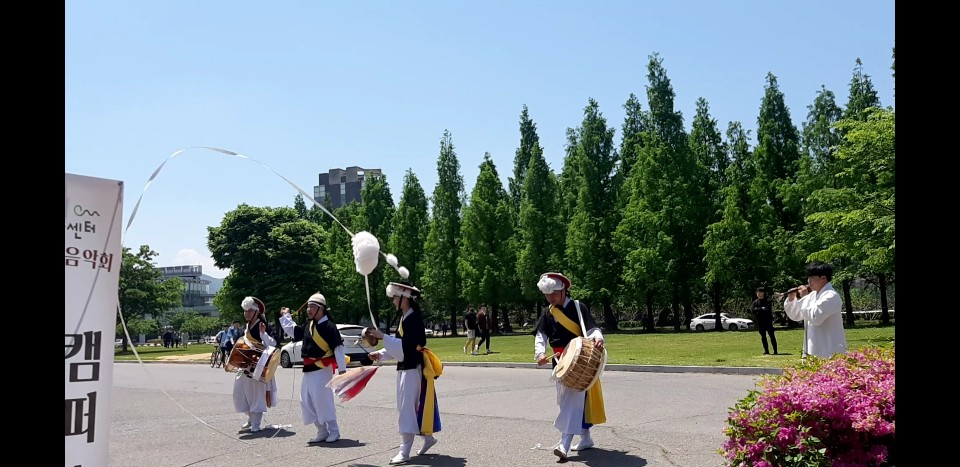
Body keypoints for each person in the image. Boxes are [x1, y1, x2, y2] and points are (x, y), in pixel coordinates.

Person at [367, 282, 441, 465]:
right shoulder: (406, 317)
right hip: (406, 367)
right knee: (409, 406)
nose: (392, 301)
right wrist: (381, 353)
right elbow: (401, 346)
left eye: (394, 298)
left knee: (407, 408)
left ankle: (405, 451)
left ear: (403, 298)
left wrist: (383, 337)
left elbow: (407, 347)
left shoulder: (413, 318)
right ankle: (428, 438)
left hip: (412, 368)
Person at [534, 272, 606, 461]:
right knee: (565, 400)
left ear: (563, 290)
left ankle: (564, 444)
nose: (550, 298)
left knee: (572, 400)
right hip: (559, 361)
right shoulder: (547, 311)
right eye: (547, 295)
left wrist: (597, 339)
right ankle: (586, 437)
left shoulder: (577, 307)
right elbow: (541, 334)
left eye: (553, 294)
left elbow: (592, 328)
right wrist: (540, 353)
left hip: (579, 360)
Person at [279, 292, 348, 443]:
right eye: (308, 307)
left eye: (312, 307)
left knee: (323, 400)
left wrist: (342, 371)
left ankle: (334, 430)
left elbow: (338, 348)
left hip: (322, 369)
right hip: (308, 370)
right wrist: (286, 317)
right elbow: (293, 331)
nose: (309, 310)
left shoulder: (329, 326)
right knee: (307, 402)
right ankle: (322, 431)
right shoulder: (309, 326)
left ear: (321, 309)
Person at [232, 296, 279, 433]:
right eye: (245, 311)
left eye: (249, 311)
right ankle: (251, 418)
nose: (247, 313)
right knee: (240, 393)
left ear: (256, 312)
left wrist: (264, 334)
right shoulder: (247, 326)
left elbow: (273, 343)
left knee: (256, 394)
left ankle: (257, 422)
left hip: (259, 364)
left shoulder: (262, 325)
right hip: (246, 363)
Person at [783, 262, 847, 358]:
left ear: (823, 278)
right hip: (813, 346)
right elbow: (796, 315)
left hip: (829, 348)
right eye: (808, 277)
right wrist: (792, 300)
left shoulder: (831, 296)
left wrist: (804, 297)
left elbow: (816, 317)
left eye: (812, 277)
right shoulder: (813, 295)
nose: (809, 281)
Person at [752, 287, 778, 355]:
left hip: (768, 321)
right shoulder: (755, 302)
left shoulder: (767, 301)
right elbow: (753, 310)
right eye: (757, 293)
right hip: (760, 322)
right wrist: (761, 308)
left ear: (763, 293)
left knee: (772, 336)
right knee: (763, 337)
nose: (758, 294)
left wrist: (758, 309)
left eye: (759, 292)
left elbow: (767, 309)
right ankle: (766, 350)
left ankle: (775, 351)